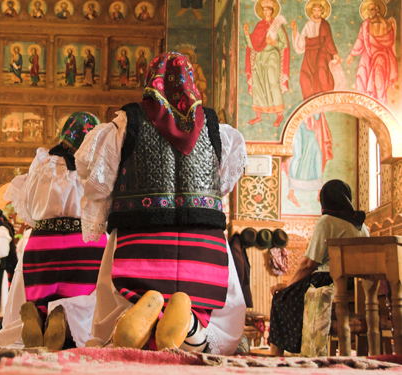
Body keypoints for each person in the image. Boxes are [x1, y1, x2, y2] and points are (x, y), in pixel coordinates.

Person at [75, 52, 247, 354]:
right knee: (221, 314)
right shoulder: (219, 129)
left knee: (113, 299)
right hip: (204, 245)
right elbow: (225, 182)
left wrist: (105, 217)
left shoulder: (125, 123)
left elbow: (98, 182)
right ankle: (192, 329)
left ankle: (140, 315)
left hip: (139, 239)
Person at [4, 111, 106, 350]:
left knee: (37, 288)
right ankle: (65, 316)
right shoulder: (93, 167)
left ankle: (39, 315)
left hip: (43, 241)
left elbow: (29, 208)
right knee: (88, 299)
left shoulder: (41, 162)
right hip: (84, 242)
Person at [268, 179, 370, 355]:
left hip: (328, 281)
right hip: (355, 285)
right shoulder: (362, 226)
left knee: (281, 299)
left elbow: (309, 264)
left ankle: (276, 356)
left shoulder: (326, 221)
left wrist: (288, 285)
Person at [285, 0, 338, 207]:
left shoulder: (324, 25)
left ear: (322, 10)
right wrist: (295, 31)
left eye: (319, 8)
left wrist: (334, 55)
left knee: (316, 155)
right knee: (296, 156)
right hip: (309, 57)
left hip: (321, 57)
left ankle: (318, 192)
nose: (316, 11)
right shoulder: (308, 25)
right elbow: (300, 46)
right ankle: (292, 191)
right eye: (313, 8)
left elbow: (329, 40)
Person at [244, 0, 289, 127]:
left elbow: (284, 44)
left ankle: (279, 114)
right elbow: (252, 44)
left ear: (272, 11)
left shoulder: (277, 25)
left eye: (268, 9)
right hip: (260, 56)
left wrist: (273, 43)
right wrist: (247, 34)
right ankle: (258, 116)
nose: (265, 12)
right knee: (258, 83)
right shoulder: (260, 25)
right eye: (264, 10)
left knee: (272, 81)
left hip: (272, 56)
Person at [346, 1, 397, 105]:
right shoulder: (365, 25)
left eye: (372, 9)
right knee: (361, 74)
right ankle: (364, 104)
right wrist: (351, 54)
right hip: (368, 52)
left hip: (381, 53)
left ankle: (380, 104)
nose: (370, 12)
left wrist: (381, 19)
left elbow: (389, 39)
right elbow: (360, 40)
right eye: (369, 9)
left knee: (379, 78)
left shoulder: (385, 24)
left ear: (378, 10)